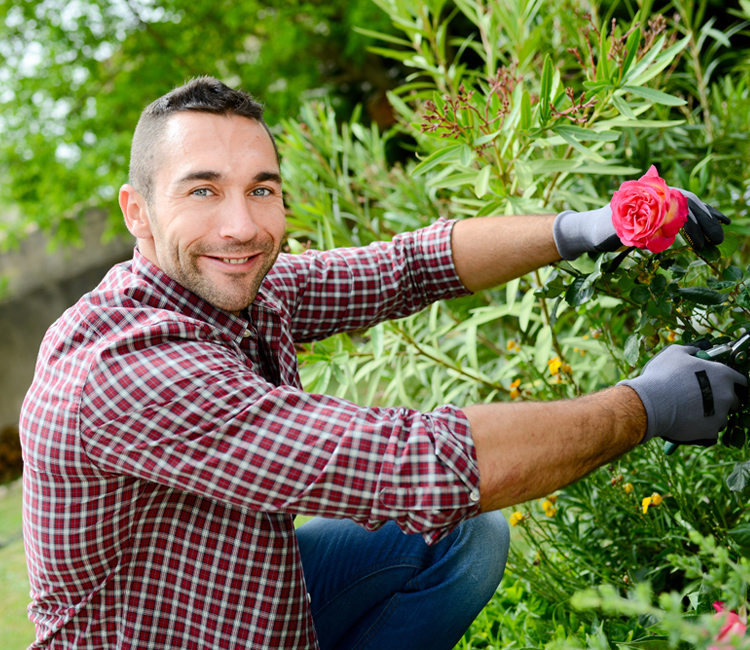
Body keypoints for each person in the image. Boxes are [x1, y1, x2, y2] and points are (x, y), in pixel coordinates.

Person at [19, 76, 745, 650]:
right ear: (137, 212)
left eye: (262, 190)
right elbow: (413, 465)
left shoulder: (231, 291)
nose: (241, 225)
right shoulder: (127, 367)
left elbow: (406, 266)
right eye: (202, 190)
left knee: (465, 536)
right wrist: (646, 406)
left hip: (249, 608)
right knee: (446, 503)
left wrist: (586, 228)